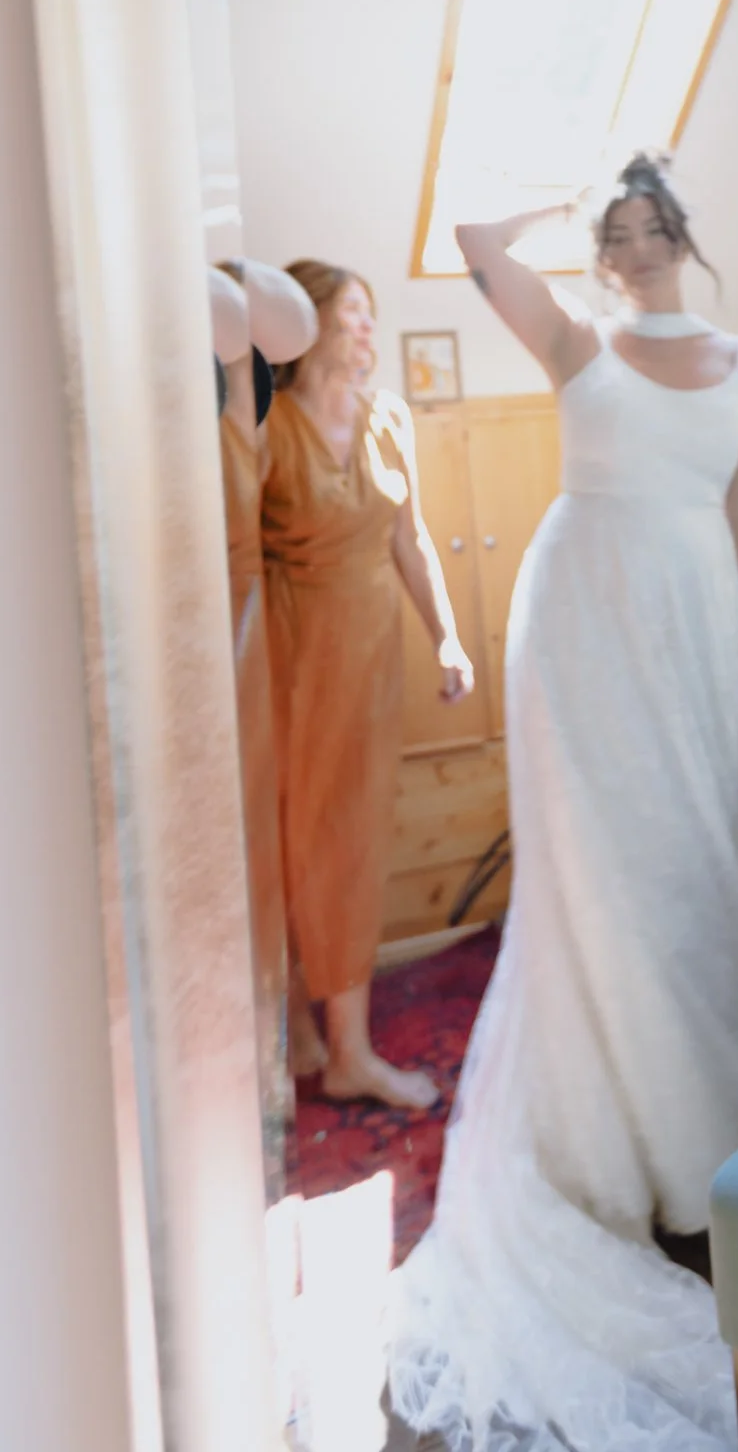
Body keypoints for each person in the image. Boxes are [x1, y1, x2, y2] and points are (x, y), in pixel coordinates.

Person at [389, 153, 738, 1449]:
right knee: (605, 877)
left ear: (681, 230)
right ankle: (612, 1143)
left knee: (697, 868)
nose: (630, 246)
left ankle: (709, 1134)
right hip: (579, 624)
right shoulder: (576, 340)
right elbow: (472, 236)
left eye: (646, 223)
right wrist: (565, 189)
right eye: (611, 232)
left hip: (695, 622)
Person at [262, 259, 474, 1110]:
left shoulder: (389, 418)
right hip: (289, 658)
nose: (365, 328)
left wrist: (447, 637)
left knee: (350, 842)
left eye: (368, 314)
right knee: (288, 840)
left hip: (371, 654)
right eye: (351, 311)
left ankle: (346, 1049)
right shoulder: (266, 423)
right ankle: (298, 1027)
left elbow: (411, 539)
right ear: (306, 321)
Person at [209, 260, 319, 1160]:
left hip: (241, 612)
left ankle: (264, 1073)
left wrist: (218, 261)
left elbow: (292, 326)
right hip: (191, 607)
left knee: (253, 848)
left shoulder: (241, 342)